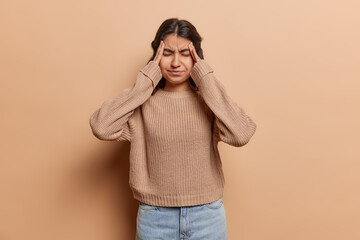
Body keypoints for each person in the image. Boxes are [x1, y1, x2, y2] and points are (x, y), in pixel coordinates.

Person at [89, 18, 257, 240]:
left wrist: (205, 77)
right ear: (156, 57)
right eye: (167, 53)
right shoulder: (141, 105)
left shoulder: (209, 105)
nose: (176, 62)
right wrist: (147, 80)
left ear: (196, 57)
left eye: (185, 54)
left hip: (207, 217)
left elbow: (242, 133)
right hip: (155, 219)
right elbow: (102, 127)